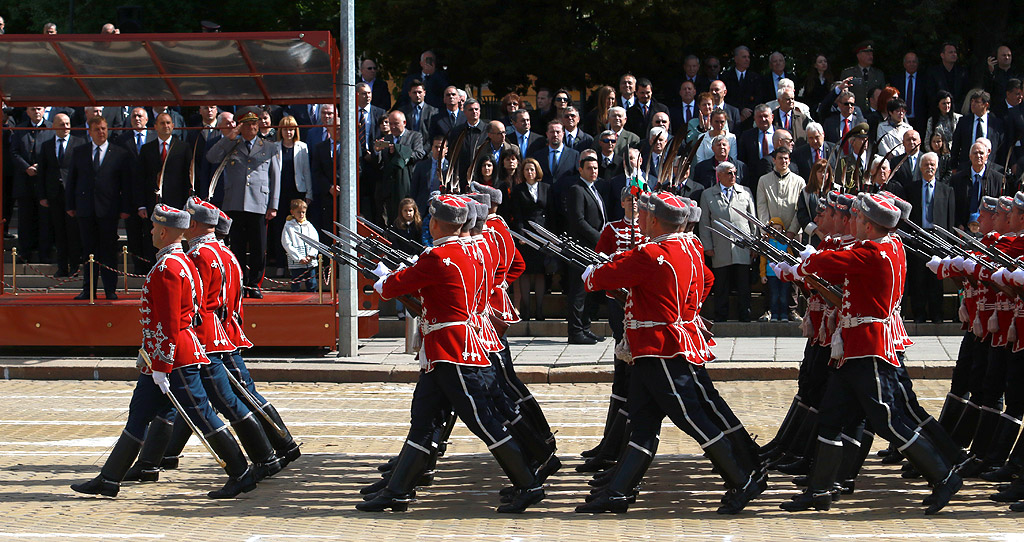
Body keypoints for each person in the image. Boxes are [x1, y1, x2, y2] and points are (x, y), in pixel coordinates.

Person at [578, 191, 764, 514]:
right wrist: (687, 310)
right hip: (657, 347)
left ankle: (741, 477)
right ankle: (619, 490)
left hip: (659, 349)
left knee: (692, 418)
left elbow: (600, 279)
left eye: (645, 215)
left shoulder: (651, 253)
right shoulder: (689, 248)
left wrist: (592, 271)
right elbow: (706, 281)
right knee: (643, 422)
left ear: (653, 220)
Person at [361, 194, 545, 513]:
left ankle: (528, 484)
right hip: (452, 347)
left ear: (434, 222)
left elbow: (393, 287)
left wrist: (380, 274)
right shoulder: (479, 248)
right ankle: (398, 489)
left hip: (452, 350)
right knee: (424, 418)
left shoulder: (437, 255)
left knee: (483, 421)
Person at [780, 193, 962, 515]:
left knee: (888, 421)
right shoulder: (888, 246)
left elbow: (830, 265)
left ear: (869, 225)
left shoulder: (874, 253)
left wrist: (808, 259)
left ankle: (943, 475)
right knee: (831, 418)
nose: (855, 225)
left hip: (868, 348)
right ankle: (821, 488)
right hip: (853, 348)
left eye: (859, 221)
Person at [70, 204, 259, 499]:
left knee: (201, 414)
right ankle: (110, 478)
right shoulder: (180, 261)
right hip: (161, 355)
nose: (150, 232)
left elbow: (170, 322)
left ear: (163, 231)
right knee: (139, 414)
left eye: (154, 228)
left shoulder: (169, 267)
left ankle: (240, 472)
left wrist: (162, 364)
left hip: (174, 357)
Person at [206, 107, 281, 298]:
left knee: (258, 247)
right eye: (247, 125)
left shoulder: (270, 147)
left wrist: (273, 205)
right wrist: (229, 137)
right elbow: (211, 157)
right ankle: (237, 283)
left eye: (254, 124)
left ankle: (254, 284)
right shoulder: (232, 144)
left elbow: (275, 177)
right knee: (237, 246)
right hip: (235, 202)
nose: (251, 128)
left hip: (259, 203)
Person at [66, 115, 131, 300]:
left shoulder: (119, 153)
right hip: (85, 209)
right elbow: (72, 180)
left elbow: (125, 184)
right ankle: (89, 289)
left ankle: (110, 289)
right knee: (88, 250)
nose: (101, 132)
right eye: (97, 129)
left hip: (109, 209)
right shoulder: (80, 152)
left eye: (103, 128)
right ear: (90, 131)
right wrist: (70, 204)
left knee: (109, 250)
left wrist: (125, 207)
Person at [699, 161, 756, 322]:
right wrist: (707, 246)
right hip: (720, 245)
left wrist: (754, 244)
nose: (733, 176)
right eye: (729, 173)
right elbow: (704, 223)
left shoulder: (745, 192)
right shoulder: (708, 194)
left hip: (743, 245)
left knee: (743, 283)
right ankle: (720, 316)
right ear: (720, 175)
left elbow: (753, 219)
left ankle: (745, 314)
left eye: (735, 173)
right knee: (721, 284)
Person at [565, 154, 607, 344]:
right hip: (582, 249)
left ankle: (585, 327)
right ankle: (575, 332)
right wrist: (600, 238)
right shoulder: (577, 189)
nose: (593, 171)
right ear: (581, 170)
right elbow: (579, 221)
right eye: (589, 168)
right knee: (579, 292)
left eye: (596, 168)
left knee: (590, 291)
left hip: (594, 251)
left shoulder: (594, 189)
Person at [907, 153, 955, 322]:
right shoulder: (911, 189)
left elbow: (950, 219)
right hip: (918, 237)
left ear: (937, 167)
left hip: (938, 240)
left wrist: (949, 245)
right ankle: (919, 313)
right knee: (918, 277)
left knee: (936, 278)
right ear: (920, 168)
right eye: (926, 164)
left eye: (932, 164)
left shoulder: (946, 190)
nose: (929, 167)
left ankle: (937, 313)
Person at [35, 112, 84, 277]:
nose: (65, 127)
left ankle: (75, 266)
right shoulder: (47, 145)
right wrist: (42, 195)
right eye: (62, 124)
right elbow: (42, 172)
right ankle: (62, 267)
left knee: (73, 232)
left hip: (73, 194)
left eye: (68, 123)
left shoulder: (79, 143)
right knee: (59, 232)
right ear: (54, 126)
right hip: (54, 195)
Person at [510, 158, 550, 320]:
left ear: (537, 171)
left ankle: (539, 310)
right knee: (525, 273)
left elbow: (551, 212)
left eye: (532, 169)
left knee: (540, 273)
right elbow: (517, 214)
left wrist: (550, 236)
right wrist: (521, 234)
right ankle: (526, 311)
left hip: (542, 236)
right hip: (525, 237)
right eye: (526, 169)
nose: (529, 172)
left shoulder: (546, 188)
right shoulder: (518, 190)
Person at [11, 105, 52, 262]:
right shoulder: (20, 129)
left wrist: (40, 167)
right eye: (33, 109)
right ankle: (25, 252)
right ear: (27, 111)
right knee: (25, 219)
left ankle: (44, 252)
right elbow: (14, 152)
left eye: (39, 109)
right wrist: (26, 167)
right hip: (24, 182)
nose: (36, 112)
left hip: (44, 182)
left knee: (45, 219)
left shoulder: (50, 128)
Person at [281, 199, 319, 292]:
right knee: (295, 284)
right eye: (298, 212)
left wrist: (311, 256)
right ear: (292, 212)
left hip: (310, 263)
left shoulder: (309, 226)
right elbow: (286, 243)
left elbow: (315, 242)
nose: (301, 215)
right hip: (296, 263)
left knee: (312, 284)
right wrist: (299, 257)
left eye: (303, 212)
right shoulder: (288, 227)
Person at [760, 217, 790, 321]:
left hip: (784, 274)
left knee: (784, 295)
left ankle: (784, 315)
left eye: (779, 229)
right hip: (771, 274)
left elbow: (791, 258)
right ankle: (774, 314)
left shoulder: (786, 243)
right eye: (774, 229)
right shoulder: (767, 243)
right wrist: (763, 274)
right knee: (774, 295)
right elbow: (763, 260)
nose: (777, 231)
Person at [797, 159, 830, 245]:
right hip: (812, 238)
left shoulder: (835, 191)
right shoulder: (806, 192)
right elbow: (802, 216)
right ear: (814, 173)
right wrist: (817, 231)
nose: (823, 175)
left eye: (825, 172)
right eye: (820, 172)